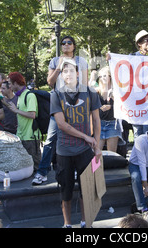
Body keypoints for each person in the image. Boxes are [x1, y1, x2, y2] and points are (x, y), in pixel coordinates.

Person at [50, 58, 102, 228]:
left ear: (78, 73)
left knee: (87, 190)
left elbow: (96, 119)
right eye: (65, 71)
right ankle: (67, 224)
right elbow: (61, 124)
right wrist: (86, 137)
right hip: (64, 150)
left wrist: (97, 145)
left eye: (72, 71)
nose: (69, 74)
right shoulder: (56, 94)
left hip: (85, 151)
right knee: (66, 190)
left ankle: (86, 222)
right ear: (61, 75)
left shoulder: (90, 92)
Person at [33, 35, 88, 185]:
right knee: (51, 139)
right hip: (58, 102)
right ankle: (42, 171)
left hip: (76, 104)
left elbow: (85, 84)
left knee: (77, 137)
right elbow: (50, 83)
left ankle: (77, 170)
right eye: (63, 43)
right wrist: (59, 67)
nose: (66, 45)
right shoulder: (55, 61)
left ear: (74, 46)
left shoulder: (81, 61)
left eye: (69, 43)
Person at [7, 72, 41, 171]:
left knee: (35, 166)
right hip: (21, 135)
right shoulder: (20, 96)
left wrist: (16, 110)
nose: (9, 86)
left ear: (16, 83)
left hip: (30, 136)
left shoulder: (29, 95)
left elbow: (32, 115)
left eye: (10, 83)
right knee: (25, 166)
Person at [96, 66, 121, 153]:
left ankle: (110, 167)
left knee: (111, 154)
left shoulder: (116, 90)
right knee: (96, 154)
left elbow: (122, 107)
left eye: (105, 76)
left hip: (113, 123)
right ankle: (97, 167)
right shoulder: (97, 91)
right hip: (100, 123)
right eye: (101, 76)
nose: (103, 78)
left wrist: (111, 106)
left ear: (110, 77)